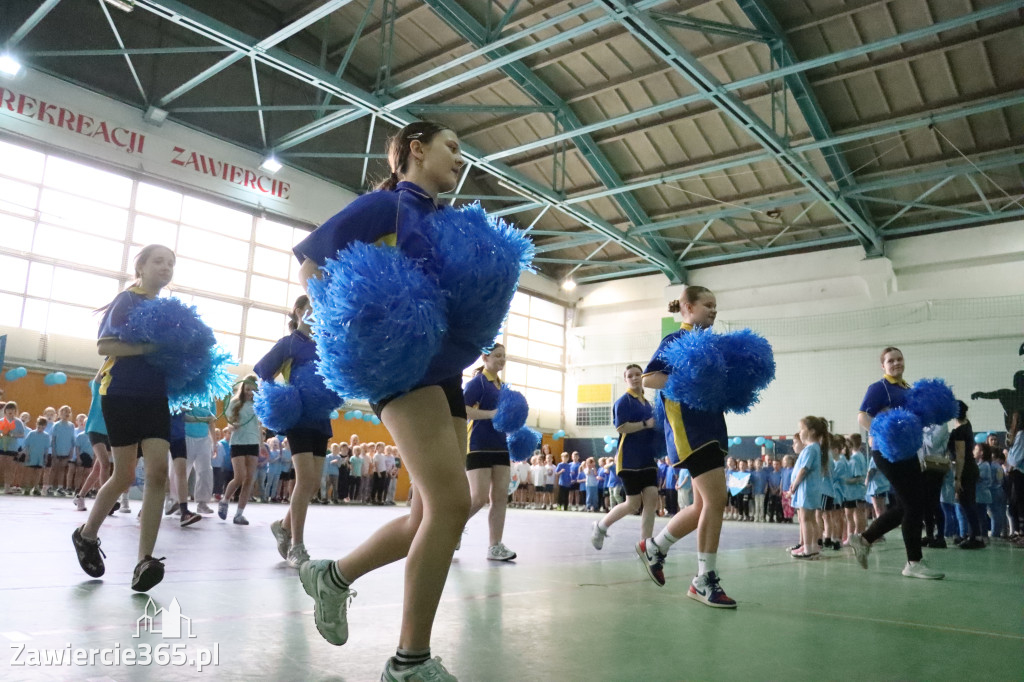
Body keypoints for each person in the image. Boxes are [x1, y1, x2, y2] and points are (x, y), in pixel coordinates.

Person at [293, 121, 487, 681]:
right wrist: (350, 327)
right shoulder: (384, 208)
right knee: (451, 505)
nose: (460, 157)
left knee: (434, 514)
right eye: (453, 146)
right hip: (399, 368)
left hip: (446, 369)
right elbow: (310, 265)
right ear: (416, 150)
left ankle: (332, 577)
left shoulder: (444, 221)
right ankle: (409, 662)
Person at [71, 244, 177, 592]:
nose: (165, 267)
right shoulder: (127, 301)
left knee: (159, 472)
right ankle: (86, 535)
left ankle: (144, 559)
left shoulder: (165, 308)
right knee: (123, 475)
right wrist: (149, 349)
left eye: (170, 263)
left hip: (156, 396)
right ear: (141, 267)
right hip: (121, 394)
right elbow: (105, 347)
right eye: (158, 261)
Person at [635, 286, 736, 608]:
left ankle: (655, 547)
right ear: (688, 307)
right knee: (716, 500)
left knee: (703, 504)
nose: (714, 310)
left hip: (712, 428)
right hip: (690, 432)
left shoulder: (712, 347)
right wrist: (691, 379)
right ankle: (703, 579)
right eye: (708, 305)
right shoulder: (675, 341)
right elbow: (650, 378)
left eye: (716, 306)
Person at [848, 347, 944, 579]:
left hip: (909, 452)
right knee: (913, 505)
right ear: (883, 366)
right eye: (891, 360)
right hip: (887, 452)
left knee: (907, 504)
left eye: (899, 359)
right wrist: (883, 433)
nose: (896, 363)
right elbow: (862, 416)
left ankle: (864, 539)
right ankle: (913, 562)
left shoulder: (908, 389)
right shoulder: (878, 388)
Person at [591, 364, 659, 549]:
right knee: (633, 504)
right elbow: (621, 427)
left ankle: (644, 546)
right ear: (625, 379)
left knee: (652, 498)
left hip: (648, 458)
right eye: (631, 375)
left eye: (638, 374)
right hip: (629, 459)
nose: (635, 378)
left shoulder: (647, 403)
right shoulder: (624, 402)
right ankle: (601, 526)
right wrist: (645, 424)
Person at [219, 376, 261, 525]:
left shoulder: (259, 405)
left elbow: (260, 425)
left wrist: (260, 445)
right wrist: (232, 427)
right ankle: (224, 500)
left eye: (252, 390)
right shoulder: (234, 403)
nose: (250, 392)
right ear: (242, 388)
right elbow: (229, 423)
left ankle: (239, 514)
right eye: (247, 389)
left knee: (249, 479)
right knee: (239, 477)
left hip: (253, 443)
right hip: (238, 443)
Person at [789, 418, 825, 559]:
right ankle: (811, 546)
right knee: (810, 519)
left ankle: (809, 549)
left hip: (807, 489)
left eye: (802, 429)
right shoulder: (814, 448)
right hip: (810, 489)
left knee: (805, 519)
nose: (800, 432)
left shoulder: (810, 448)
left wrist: (795, 485)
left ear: (811, 431)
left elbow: (803, 470)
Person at [949, 401, 983, 549]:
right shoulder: (967, 426)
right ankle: (973, 535)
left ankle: (975, 537)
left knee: (967, 504)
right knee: (969, 504)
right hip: (971, 468)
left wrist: (957, 478)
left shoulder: (960, 431)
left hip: (966, 470)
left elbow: (960, 456)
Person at [183, 400, 216, 514]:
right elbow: (183, 416)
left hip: (204, 439)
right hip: (186, 436)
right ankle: (177, 502)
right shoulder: (187, 393)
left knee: (205, 470)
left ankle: (202, 503)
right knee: (183, 471)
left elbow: (211, 422)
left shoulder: (210, 398)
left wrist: (214, 442)